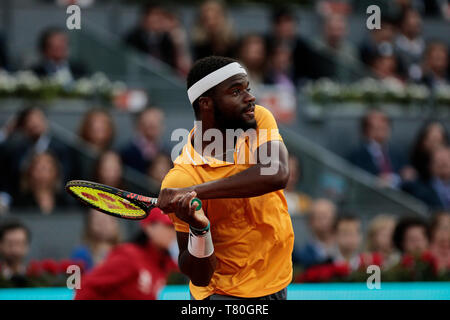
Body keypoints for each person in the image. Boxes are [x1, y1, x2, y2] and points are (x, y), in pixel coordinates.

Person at [157, 56, 294, 300]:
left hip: (277, 283)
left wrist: (196, 191)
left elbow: (277, 172)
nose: (250, 97)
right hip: (224, 296)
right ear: (206, 104)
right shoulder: (180, 179)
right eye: (236, 91)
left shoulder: (258, 119)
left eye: (247, 89)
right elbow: (199, 276)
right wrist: (199, 229)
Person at [74, 208, 177, 300]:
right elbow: (87, 286)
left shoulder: (164, 262)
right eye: (168, 226)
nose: (173, 231)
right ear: (149, 228)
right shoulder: (129, 255)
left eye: (175, 227)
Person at [348, 110, 409, 188]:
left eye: (383, 127)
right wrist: (374, 181)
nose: (380, 131)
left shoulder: (398, 153)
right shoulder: (356, 156)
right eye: (375, 127)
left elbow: (407, 176)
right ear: (365, 131)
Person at [123, 3, 177, 68]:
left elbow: (172, 65)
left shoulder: (166, 39)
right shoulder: (133, 38)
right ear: (145, 17)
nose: (159, 19)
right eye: (155, 14)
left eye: (161, 15)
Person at [120, 107, 166, 174]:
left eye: (157, 121)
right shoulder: (125, 153)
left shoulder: (168, 154)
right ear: (139, 125)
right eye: (149, 122)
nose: (153, 123)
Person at [294, 199, 337, 268]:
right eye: (319, 217)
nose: (323, 222)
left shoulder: (345, 246)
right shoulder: (302, 254)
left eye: (325, 217)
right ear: (310, 222)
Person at [394, 9, 426, 81]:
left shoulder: (426, 46)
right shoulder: (394, 44)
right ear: (402, 23)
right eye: (412, 17)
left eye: (418, 18)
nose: (417, 21)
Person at [0, 220, 31, 287]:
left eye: (19, 244)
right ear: (1, 245)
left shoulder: (37, 277)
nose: (15, 250)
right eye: (10, 244)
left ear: (27, 246)